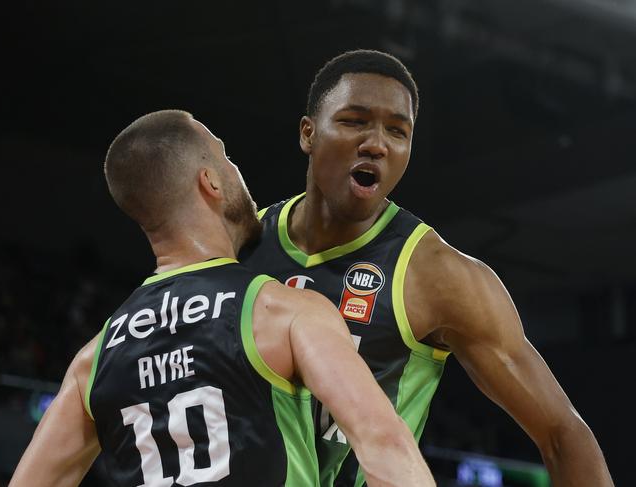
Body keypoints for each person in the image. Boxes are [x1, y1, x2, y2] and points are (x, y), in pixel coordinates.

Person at [239, 49, 614, 486]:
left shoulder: (437, 274)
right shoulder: (241, 244)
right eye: (354, 121)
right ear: (308, 133)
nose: (376, 143)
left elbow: (562, 433)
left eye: (397, 131)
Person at [9, 110, 436, 487]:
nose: (236, 171)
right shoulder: (280, 311)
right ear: (210, 181)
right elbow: (384, 444)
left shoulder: (94, 360)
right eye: (226, 158)